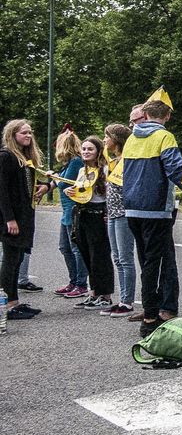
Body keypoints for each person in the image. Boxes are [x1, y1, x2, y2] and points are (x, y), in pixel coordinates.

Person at [123, 98, 182, 338]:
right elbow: (175, 169)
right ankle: (151, 316)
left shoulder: (131, 138)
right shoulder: (164, 137)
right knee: (155, 263)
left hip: (132, 208)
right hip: (156, 209)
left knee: (145, 262)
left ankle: (150, 310)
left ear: (146, 114)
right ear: (167, 116)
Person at [1, 119, 50, 321]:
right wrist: (9, 219)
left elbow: (34, 181)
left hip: (25, 215)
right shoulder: (6, 157)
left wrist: (45, 186)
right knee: (11, 259)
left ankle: (15, 301)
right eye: (24, 133)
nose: (28, 136)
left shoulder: (25, 157)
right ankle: (8, 303)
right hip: (12, 218)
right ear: (13, 135)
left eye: (30, 133)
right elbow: (2, 191)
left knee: (18, 258)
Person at [69, 136, 114, 311]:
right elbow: (81, 192)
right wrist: (70, 191)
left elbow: (109, 194)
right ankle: (94, 292)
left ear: (98, 152)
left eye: (90, 149)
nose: (86, 152)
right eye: (84, 149)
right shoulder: (82, 170)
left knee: (100, 256)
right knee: (86, 254)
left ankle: (105, 295)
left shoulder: (104, 169)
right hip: (82, 213)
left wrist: (108, 212)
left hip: (98, 213)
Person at [100, 124, 136, 318]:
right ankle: (122, 299)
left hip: (123, 213)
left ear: (116, 139)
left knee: (125, 258)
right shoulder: (112, 161)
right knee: (117, 259)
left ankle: (127, 301)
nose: (104, 140)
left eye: (107, 137)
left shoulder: (127, 161)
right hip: (112, 213)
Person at [51, 127, 88, 299]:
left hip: (73, 210)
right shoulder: (68, 164)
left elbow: (66, 183)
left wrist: (53, 177)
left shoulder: (75, 163)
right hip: (66, 211)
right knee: (64, 247)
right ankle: (73, 280)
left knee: (76, 248)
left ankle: (81, 283)